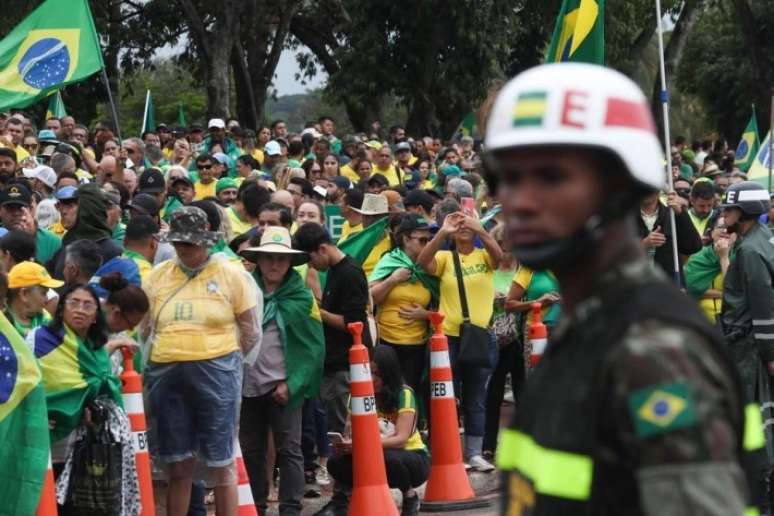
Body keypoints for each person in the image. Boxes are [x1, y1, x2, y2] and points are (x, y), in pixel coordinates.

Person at [485, 63, 759, 514]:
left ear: (621, 187)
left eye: (550, 176)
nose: (520, 200)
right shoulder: (589, 324)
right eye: (506, 178)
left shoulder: (654, 348)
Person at [142, 207, 262, 515]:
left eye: (191, 244)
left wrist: (226, 365)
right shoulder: (157, 277)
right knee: (178, 463)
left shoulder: (231, 274)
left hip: (217, 373)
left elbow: (249, 330)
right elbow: (145, 329)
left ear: (206, 242)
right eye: (179, 243)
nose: (185, 250)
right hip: (167, 375)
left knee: (222, 463)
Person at [239, 226, 325, 516]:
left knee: (289, 450)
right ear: (259, 260)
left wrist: (293, 383)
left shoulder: (302, 298)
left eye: (281, 259)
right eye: (268, 258)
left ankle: (290, 509)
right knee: (251, 451)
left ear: (290, 262)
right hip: (248, 387)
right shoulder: (244, 292)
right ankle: (256, 507)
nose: (274, 264)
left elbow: (314, 349)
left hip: (284, 387)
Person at [417, 208, 502, 471]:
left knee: (476, 396)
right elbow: (423, 262)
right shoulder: (444, 256)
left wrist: (480, 229)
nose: (462, 226)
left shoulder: (484, 255)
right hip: (448, 338)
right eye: (459, 224)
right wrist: (443, 231)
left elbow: (498, 258)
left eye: (467, 222)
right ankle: (449, 450)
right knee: (446, 396)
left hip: (480, 335)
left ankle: (475, 453)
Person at [317, 345, 430, 516]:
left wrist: (365, 445)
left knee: (385, 457)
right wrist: (347, 444)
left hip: (411, 457)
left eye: (375, 374)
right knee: (336, 462)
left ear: (388, 374)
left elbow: (401, 439)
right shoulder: (357, 396)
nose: (370, 379)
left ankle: (409, 495)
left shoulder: (404, 394)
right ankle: (339, 502)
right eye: (366, 373)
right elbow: (350, 430)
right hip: (373, 454)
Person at [718, 180, 774, 507]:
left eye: (730, 208)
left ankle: (760, 492)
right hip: (752, 345)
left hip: (751, 349)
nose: (724, 213)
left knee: (757, 425)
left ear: (746, 212)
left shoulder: (752, 251)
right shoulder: (759, 240)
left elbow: (763, 304)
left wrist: (769, 354)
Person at [293, 222, 372, 435]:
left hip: (345, 365)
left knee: (340, 427)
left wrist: (318, 312)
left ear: (322, 249)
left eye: (310, 259)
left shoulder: (350, 273)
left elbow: (354, 324)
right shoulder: (335, 271)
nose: (310, 266)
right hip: (332, 361)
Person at [369, 214, 437, 395]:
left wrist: (425, 315)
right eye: (422, 240)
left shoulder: (432, 266)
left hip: (417, 344)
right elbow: (371, 298)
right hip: (388, 342)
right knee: (388, 391)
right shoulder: (389, 261)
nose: (427, 244)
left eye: (430, 240)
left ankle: (411, 424)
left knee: (411, 391)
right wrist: (392, 279)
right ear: (406, 239)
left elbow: (444, 306)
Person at [5, 261, 62, 337]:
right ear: (24, 294)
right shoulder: (3, 320)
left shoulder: (45, 320)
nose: (47, 299)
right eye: (43, 293)